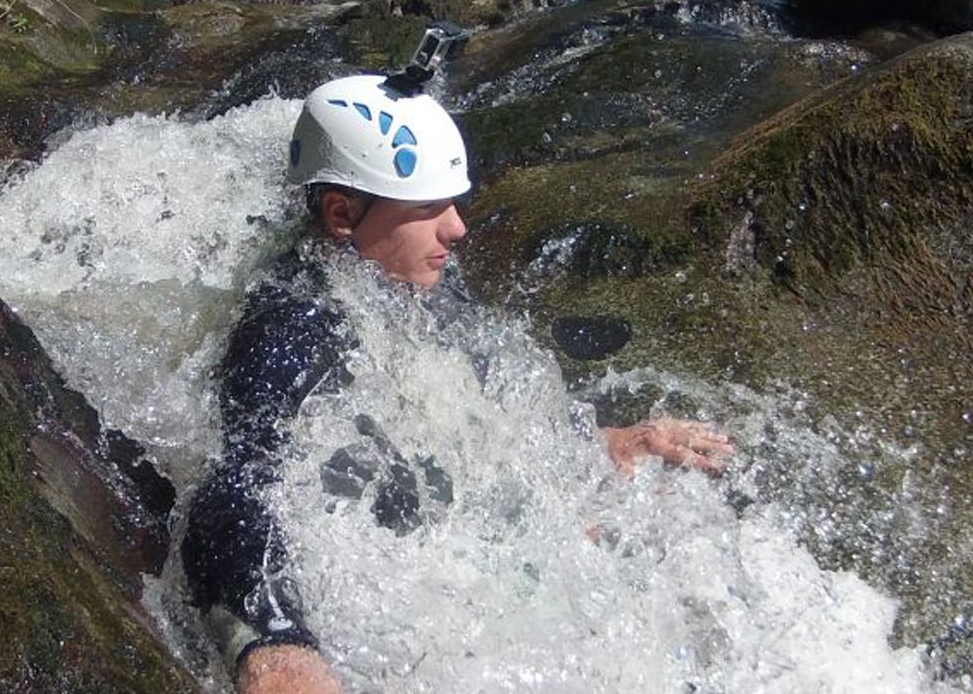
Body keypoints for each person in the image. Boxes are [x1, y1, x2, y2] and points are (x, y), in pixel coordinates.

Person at [182, 50, 736, 694]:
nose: (459, 228)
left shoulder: (413, 279)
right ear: (341, 214)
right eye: (429, 207)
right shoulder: (286, 326)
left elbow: (492, 400)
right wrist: (277, 645)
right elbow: (234, 493)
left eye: (454, 202)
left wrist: (606, 439)